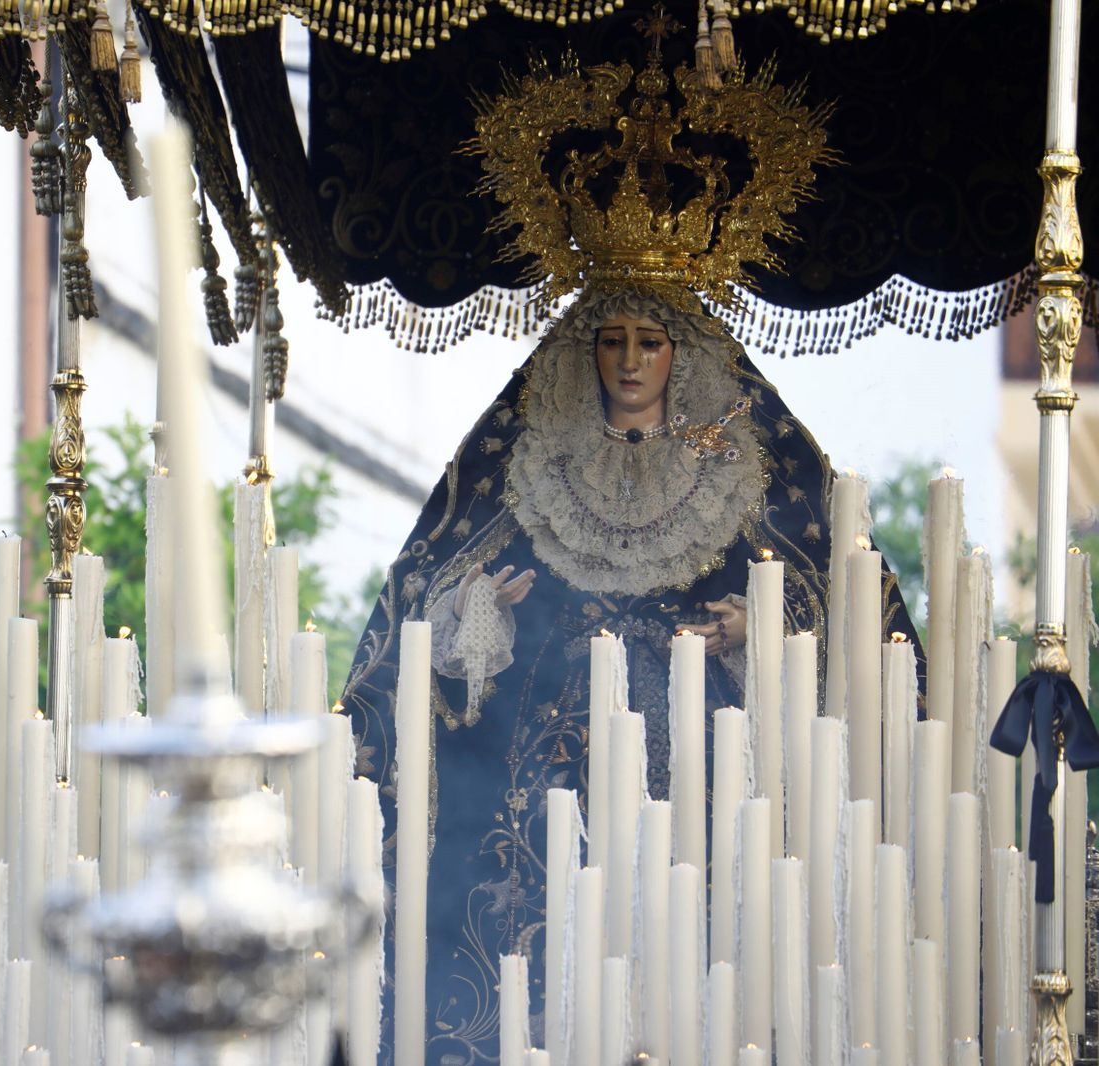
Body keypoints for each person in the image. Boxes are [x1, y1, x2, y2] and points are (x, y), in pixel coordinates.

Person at [339, 35, 924, 1063]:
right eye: (609, 341)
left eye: (649, 343)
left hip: (716, 812)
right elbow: (413, 633)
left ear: (682, 355)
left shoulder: (759, 470)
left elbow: (863, 631)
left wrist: (763, 640)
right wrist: (477, 625)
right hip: (536, 823)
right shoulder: (519, 467)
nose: (627, 363)